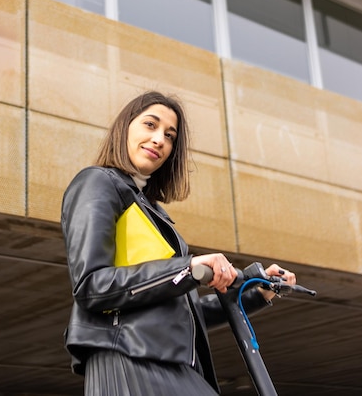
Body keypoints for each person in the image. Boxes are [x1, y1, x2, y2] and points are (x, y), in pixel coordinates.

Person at [61, 90, 296, 395]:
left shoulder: (153, 210)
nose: (159, 139)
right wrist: (187, 268)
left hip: (167, 361)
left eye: (169, 135)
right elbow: (91, 286)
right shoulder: (97, 182)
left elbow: (184, 311)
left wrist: (256, 292)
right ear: (124, 128)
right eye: (150, 125)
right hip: (126, 358)